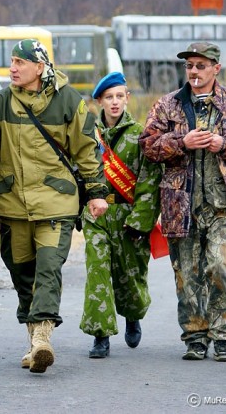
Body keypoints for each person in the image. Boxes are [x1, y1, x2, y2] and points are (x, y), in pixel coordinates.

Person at [0, 38, 109, 373]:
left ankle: (43, 339)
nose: (13, 68)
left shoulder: (68, 101)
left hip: (56, 202)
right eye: (11, 61)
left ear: (40, 67)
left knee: (48, 268)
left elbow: (87, 151)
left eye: (20, 62)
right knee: (22, 274)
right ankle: (34, 338)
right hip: (13, 205)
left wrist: (96, 193)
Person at [139, 42, 226, 362]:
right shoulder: (168, 105)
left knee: (221, 266)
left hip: (223, 206)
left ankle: (223, 334)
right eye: (190, 66)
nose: (194, 72)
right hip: (180, 207)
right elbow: (147, 145)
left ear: (216, 68)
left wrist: (224, 143)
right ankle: (195, 337)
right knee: (187, 275)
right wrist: (180, 142)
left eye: (201, 65)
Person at [79, 72, 162, 359]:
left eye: (119, 96)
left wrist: (141, 221)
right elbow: (78, 174)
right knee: (97, 273)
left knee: (131, 276)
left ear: (127, 98)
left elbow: (150, 180)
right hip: (97, 215)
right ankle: (100, 335)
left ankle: (132, 315)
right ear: (99, 101)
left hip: (129, 216)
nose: (114, 102)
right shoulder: (88, 136)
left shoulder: (141, 134)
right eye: (108, 97)